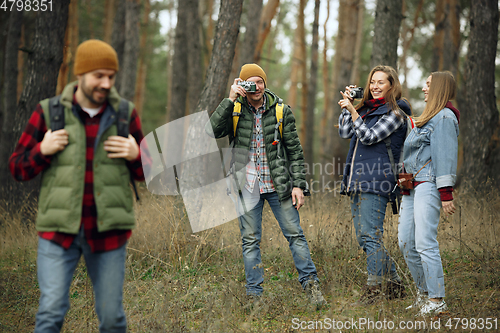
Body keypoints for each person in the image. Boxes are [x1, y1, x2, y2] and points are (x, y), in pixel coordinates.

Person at [9, 39, 146, 332]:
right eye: (99, 75)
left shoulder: (125, 114)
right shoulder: (49, 113)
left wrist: (138, 156)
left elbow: (149, 173)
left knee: (112, 319)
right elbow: (17, 168)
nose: (106, 83)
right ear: (80, 74)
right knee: (50, 313)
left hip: (109, 234)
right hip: (58, 233)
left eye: (111, 76)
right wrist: (41, 151)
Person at [206, 63, 326, 307]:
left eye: (259, 81)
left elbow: (294, 151)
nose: (257, 87)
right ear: (242, 85)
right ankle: (254, 297)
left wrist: (299, 185)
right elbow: (211, 131)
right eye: (250, 82)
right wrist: (229, 100)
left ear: (264, 82)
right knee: (250, 241)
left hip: (279, 186)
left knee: (295, 236)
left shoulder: (281, 110)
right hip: (247, 187)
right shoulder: (236, 109)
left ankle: (312, 289)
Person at [338, 65, 411, 304]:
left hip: (378, 180)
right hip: (358, 179)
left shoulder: (396, 112)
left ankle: (374, 289)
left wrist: (354, 112)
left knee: (371, 236)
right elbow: (345, 132)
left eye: (381, 82)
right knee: (365, 238)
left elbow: (369, 137)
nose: (375, 87)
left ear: (392, 86)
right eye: (372, 82)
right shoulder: (367, 110)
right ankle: (395, 285)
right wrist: (348, 106)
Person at [398, 71, 459, 316]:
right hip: (412, 187)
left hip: (430, 185)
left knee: (425, 242)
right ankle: (423, 294)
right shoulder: (428, 118)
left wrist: (445, 193)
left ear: (439, 89)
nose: (424, 88)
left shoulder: (444, 118)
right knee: (405, 242)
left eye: (428, 85)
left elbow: (445, 156)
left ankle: (437, 300)